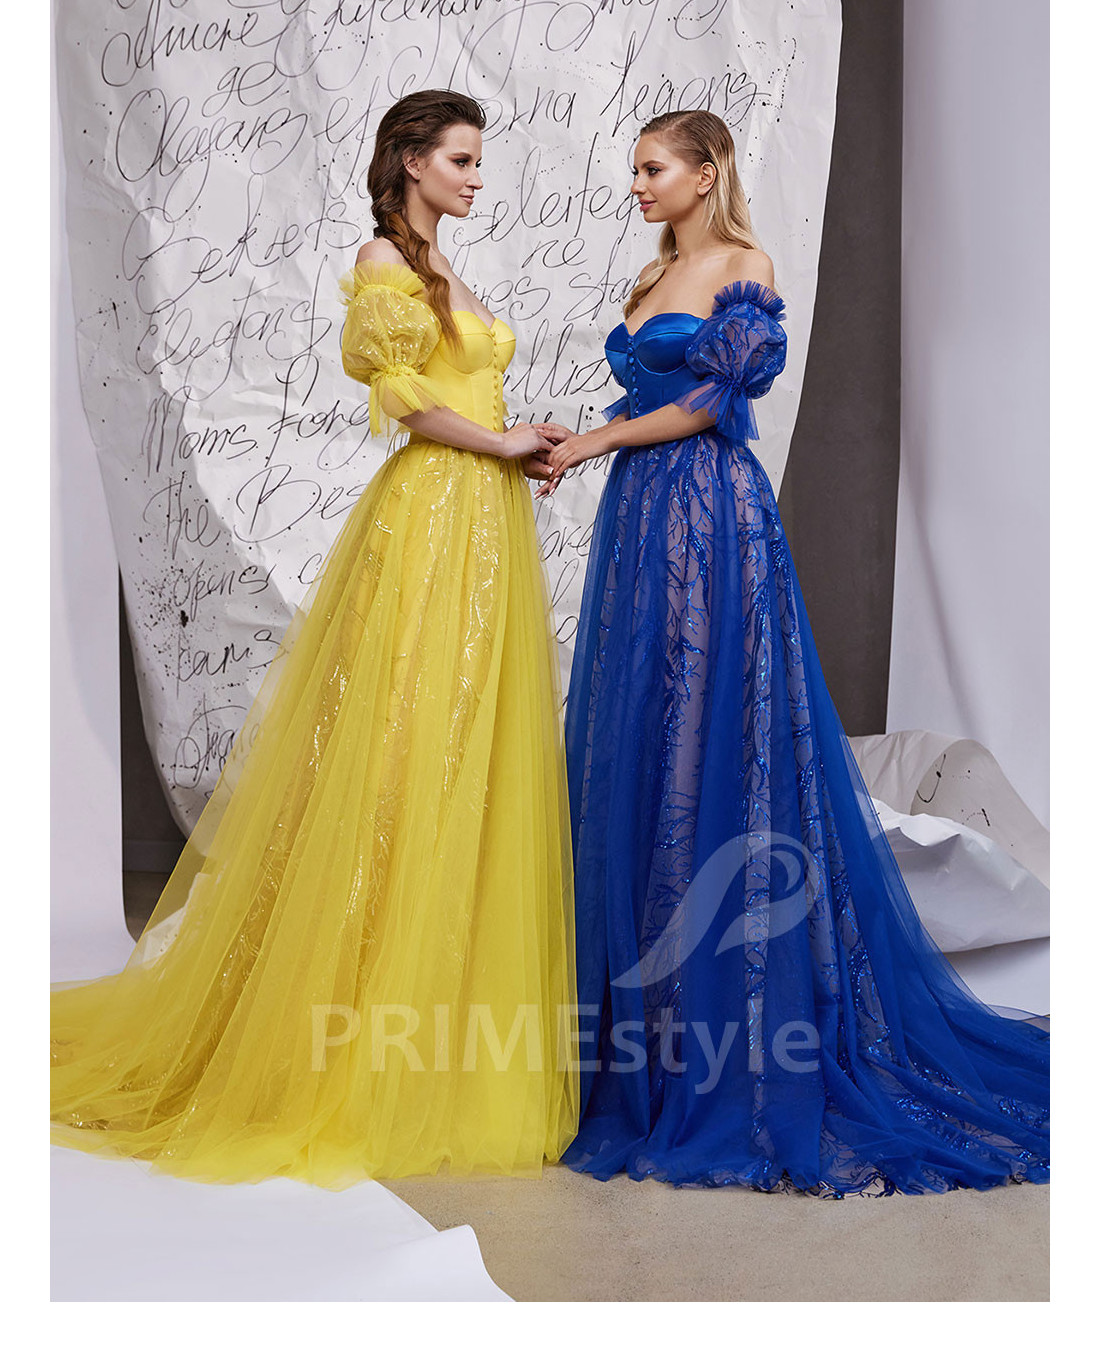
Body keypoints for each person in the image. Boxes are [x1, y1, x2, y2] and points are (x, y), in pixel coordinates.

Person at [51, 89, 580, 1188]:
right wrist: (499, 441)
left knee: (460, 746)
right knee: (398, 746)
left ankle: (433, 1011)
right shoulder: (383, 263)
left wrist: (519, 440)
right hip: (431, 516)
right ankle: (350, 1014)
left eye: (478, 159)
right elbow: (405, 401)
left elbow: (460, 391)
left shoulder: (441, 267)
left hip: (483, 517)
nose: (477, 176)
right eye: (461, 159)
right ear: (411, 162)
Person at [531, 109, 1050, 1195]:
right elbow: (650, 394)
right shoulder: (653, 272)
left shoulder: (744, 266)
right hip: (640, 515)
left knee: (704, 731)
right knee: (643, 733)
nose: (637, 184)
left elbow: (705, 406)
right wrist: (578, 442)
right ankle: (644, 1029)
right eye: (634, 169)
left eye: (653, 168)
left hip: (709, 516)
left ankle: (727, 1023)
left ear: (705, 170)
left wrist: (592, 440)